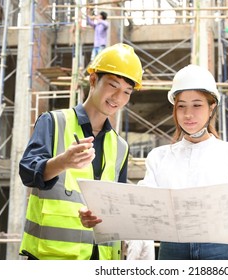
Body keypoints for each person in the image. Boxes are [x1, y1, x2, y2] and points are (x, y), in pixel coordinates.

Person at [79, 64, 228, 260]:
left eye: (197, 105)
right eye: (181, 107)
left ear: (212, 106)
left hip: (222, 250)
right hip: (172, 251)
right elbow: (141, 208)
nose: (188, 115)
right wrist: (101, 216)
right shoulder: (159, 157)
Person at [18, 43, 143, 260]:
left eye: (126, 92)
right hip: (52, 259)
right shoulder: (54, 122)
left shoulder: (120, 147)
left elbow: (117, 205)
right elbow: (27, 173)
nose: (118, 97)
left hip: (102, 260)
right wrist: (62, 163)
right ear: (93, 80)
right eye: (113, 85)